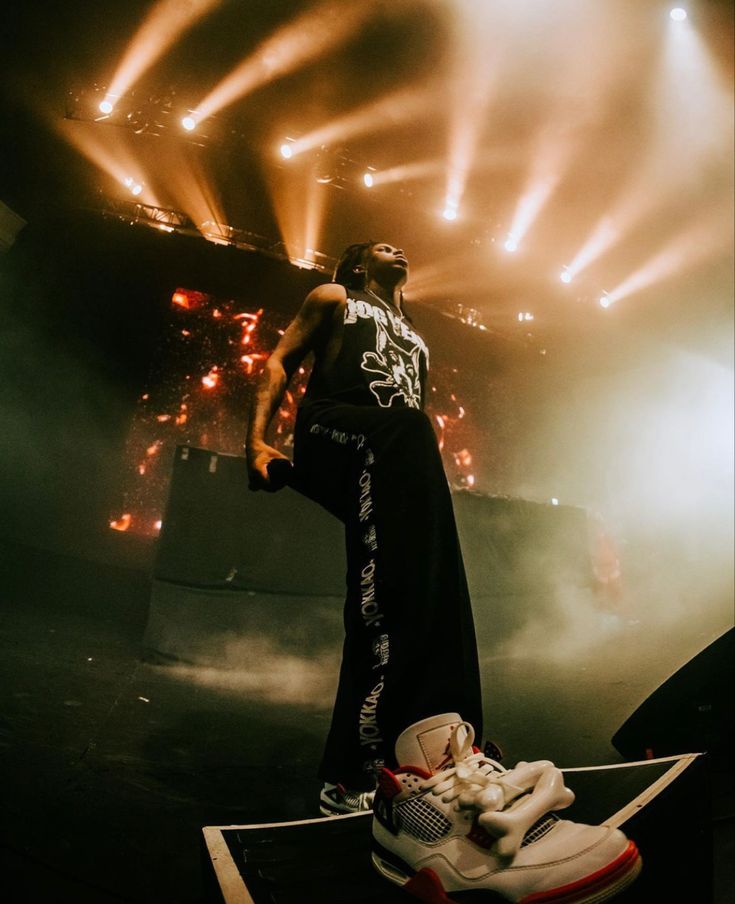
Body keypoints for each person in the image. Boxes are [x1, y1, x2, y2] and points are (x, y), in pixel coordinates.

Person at [246, 241, 641, 901]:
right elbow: (280, 361)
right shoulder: (333, 299)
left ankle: (445, 759)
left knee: (429, 580)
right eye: (378, 245)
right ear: (356, 264)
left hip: (392, 454)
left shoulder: (415, 340)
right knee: (409, 437)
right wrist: (258, 439)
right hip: (337, 433)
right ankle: (370, 773)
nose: (396, 246)